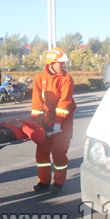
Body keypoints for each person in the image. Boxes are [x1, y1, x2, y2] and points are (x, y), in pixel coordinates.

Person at [30, 47, 76, 194]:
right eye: (61, 63)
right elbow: (37, 102)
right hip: (47, 119)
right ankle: (43, 181)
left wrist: (58, 122)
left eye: (64, 63)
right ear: (51, 63)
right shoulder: (40, 78)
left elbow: (65, 102)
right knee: (42, 152)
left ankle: (59, 182)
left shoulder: (66, 79)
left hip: (64, 119)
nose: (63, 65)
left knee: (58, 151)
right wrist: (37, 121)